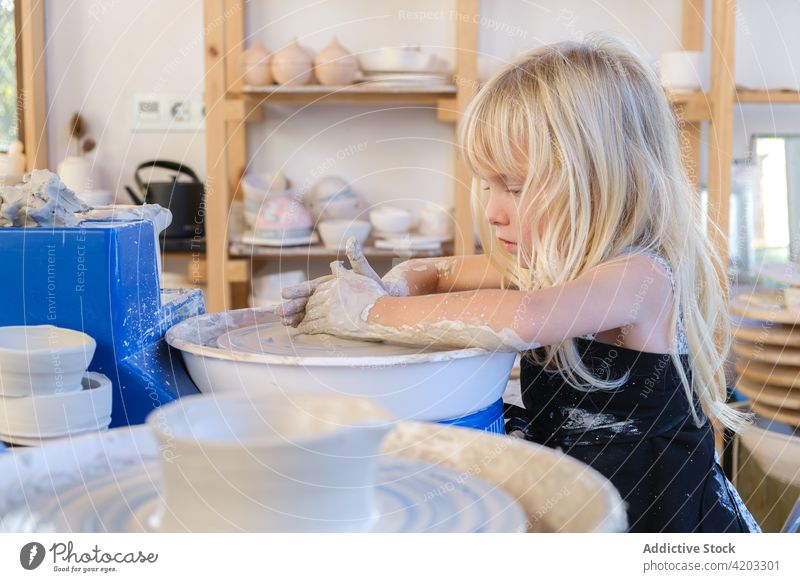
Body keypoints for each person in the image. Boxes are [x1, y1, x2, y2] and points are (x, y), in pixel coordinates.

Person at [275, 36, 760, 533]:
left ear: (604, 177)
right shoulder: (552, 264)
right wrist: (397, 285)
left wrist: (369, 314)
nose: (491, 211)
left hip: (659, 520)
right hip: (578, 482)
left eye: (516, 186)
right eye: (487, 184)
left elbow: (526, 319)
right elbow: (440, 273)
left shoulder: (641, 277)